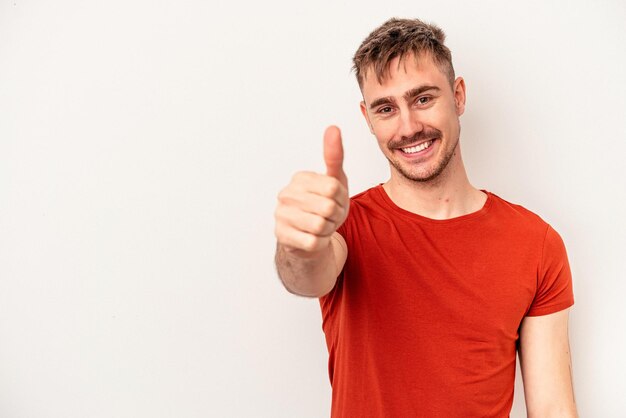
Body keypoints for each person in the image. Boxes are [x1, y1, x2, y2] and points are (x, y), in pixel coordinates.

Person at [274, 18, 577, 418]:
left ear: (458, 95)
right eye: (386, 108)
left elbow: (553, 408)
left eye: (422, 99)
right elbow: (307, 274)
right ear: (368, 119)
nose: (409, 127)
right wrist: (298, 245)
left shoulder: (536, 244)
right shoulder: (345, 227)